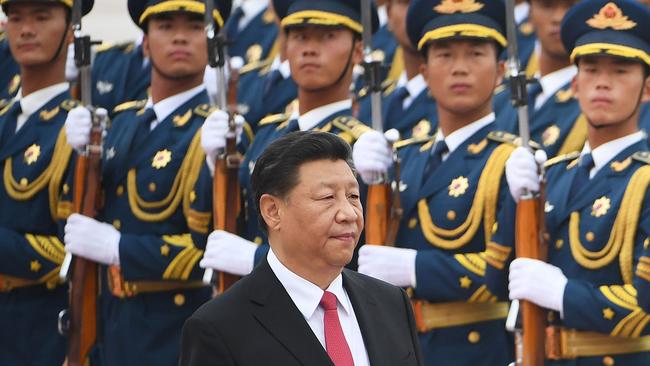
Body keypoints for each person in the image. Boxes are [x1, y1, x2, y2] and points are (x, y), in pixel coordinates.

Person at [60, 0, 232, 364]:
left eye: (195, 27)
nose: (180, 37)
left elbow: (211, 249)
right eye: (166, 26)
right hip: (109, 326)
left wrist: (119, 249)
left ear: (213, 44)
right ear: (145, 42)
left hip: (173, 334)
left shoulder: (220, 133)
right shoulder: (121, 122)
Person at [352, 0, 522, 364]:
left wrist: (415, 268)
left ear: (502, 70)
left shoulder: (512, 161)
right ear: (425, 72)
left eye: (476, 54)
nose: (460, 68)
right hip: (399, 346)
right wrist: (361, 182)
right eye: (444, 55)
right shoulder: (404, 156)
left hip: (474, 350)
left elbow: (509, 271)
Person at [179, 131, 422, 366]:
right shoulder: (219, 328)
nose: (349, 214)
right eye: (327, 197)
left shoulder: (391, 303)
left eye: (353, 196)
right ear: (272, 211)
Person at [497, 0, 650, 363]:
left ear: (646, 89)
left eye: (621, 71)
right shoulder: (554, 173)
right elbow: (496, 278)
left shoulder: (644, 180)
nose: (602, 82)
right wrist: (514, 200)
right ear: (575, 84)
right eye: (591, 69)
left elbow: (646, 308)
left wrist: (564, 294)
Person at [199, 0, 377, 278]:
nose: (309, 48)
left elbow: (355, 255)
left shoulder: (363, 147)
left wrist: (256, 260)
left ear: (356, 51)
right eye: (299, 36)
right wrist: (213, 167)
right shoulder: (268, 132)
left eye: (327, 36)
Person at [0, 0, 92, 364]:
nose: (25, 29)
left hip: (37, 328)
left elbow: (69, 255)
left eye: (41, 17)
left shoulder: (75, 129)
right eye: (16, 17)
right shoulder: (5, 118)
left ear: (70, 31)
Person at [494, 0, 583, 158]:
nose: (558, 17)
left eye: (571, 6)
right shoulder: (500, 100)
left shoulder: (594, 105)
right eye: (547, 6)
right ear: (529, 14)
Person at [357, 0, 438, 140]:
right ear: (389, 13)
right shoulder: (370, 101)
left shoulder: (459, 104)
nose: (414, 14)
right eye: (406, 2)